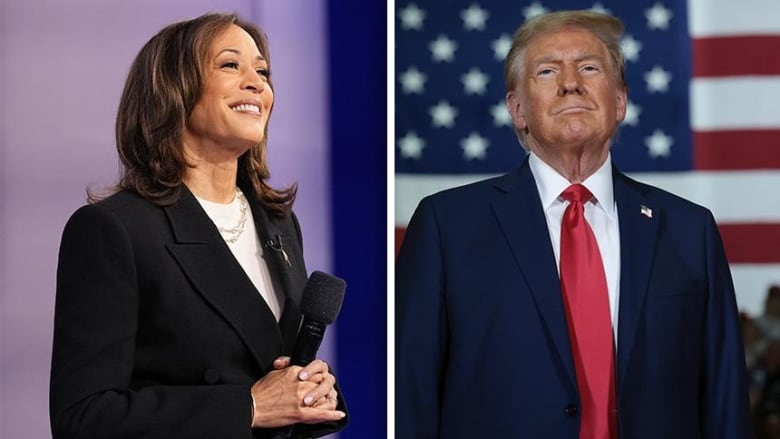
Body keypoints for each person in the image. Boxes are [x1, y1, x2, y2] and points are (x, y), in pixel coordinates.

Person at [396, 10, 751, 438]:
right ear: (517, 109)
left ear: (620, 101)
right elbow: (410, 397)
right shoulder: (445, 227)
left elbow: (725, 399)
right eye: (547, 71)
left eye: (588, 67)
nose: (570, 83)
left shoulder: (690, 230)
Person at [50, 13, 347, 438]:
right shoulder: (113, 230)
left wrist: (308, 393)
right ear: (173, 90)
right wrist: (248, 406)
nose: (256, 83)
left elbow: (269, 367)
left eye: (262, 71)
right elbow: (82, 417)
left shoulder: (279, 223)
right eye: (231, 65)